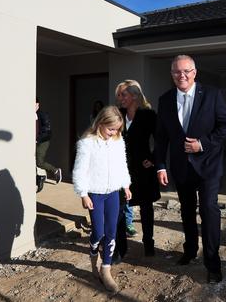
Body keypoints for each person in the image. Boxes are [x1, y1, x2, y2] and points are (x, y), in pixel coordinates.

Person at [155, 55, 226, 284]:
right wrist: (160, 165)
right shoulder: (165, 100)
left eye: (187, 71)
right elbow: (161, 138)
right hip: (181, 168)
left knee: (208, 210)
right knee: (187, 211)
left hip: (208, 166)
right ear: (172, 75)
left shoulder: (212, 94)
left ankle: (212, 263)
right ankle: (189, 251)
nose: (182, 75)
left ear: (195, 72)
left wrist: (203, 143)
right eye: (177, 72)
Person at [72, 105, 132, 293]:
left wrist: (126, 184)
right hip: (95, 194)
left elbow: (122, 164)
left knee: (111, 231)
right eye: (110, 129)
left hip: (113, 192)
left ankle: (106, 269)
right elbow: (80, 170)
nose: (113, 133)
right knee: (98, 232)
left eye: (117, 130)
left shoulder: (118, 141)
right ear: (100, 123)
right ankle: (93, 258)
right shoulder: (86, 142)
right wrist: (83, 193)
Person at [117, 79, 160, 257]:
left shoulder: (148, 115)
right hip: (121, 168)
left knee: (146, 208)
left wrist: (152, 158)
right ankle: (120, 247)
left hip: (142, 170)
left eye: (123, 94)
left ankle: (148, 243)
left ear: (134, 95)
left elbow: (162, 140)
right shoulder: (117, 114)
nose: (120, 98)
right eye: (118, 95)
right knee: (119, 207)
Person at [35, 98, 62, 193]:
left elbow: (47, 129)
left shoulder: (42, 114)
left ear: (37, 104)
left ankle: (55, 171)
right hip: (34, 141)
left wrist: (37, 139)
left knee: (39, 161)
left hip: (43, 141)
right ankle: (39, 178)